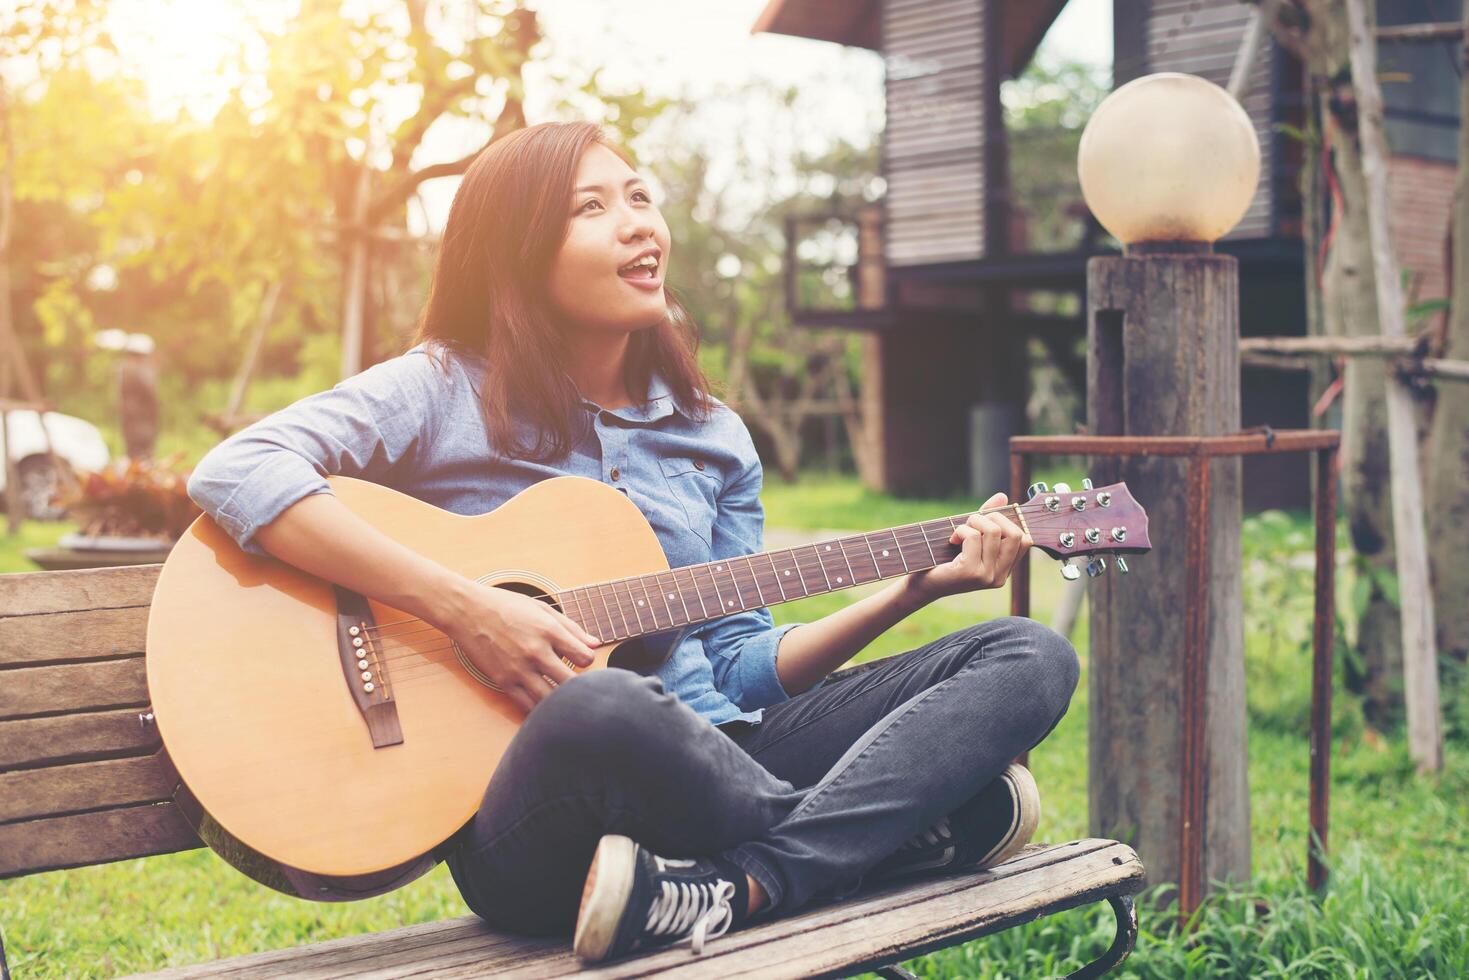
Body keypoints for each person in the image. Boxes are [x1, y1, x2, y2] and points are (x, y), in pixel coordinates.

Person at [185, 121, 1078, 964]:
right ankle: (873, 840)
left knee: (1027, 654)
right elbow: (240, 469)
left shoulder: (714, 436)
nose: (636, 226)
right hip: (541, 837)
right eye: (591, 207)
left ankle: (745, 884)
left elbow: (736, 665)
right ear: (517, 250)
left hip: (721, 769)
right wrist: (463, 609)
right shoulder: (438, 391)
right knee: (605, 702)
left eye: (639, 197)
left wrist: (908, 592)